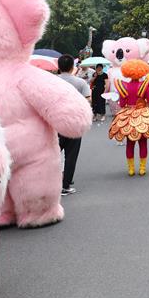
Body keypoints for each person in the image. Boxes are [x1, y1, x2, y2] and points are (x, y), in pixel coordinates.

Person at [108, 59, 149, 176]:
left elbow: (122, 104)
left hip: (128, 115)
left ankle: (131, 169)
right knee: (143, 142)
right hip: (142, 115)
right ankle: (142, 168)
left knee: (130, 142)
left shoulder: (123, 86)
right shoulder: (144, 86)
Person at [56, 54, 91, 195]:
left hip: (55, 123)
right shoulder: (81, 83)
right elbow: (88, 100)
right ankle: (65, 186)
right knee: (71, 156)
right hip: (74, 123)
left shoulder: (51, 81)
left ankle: (49, 184)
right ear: (72, 67)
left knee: (52, 154)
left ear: (58, 67)